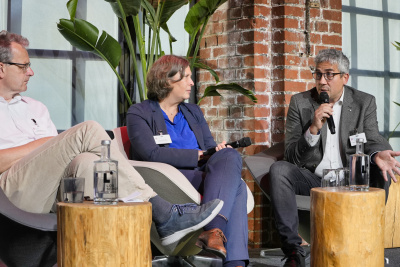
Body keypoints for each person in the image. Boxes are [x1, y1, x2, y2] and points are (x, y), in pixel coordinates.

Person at [0, 30, 224, 247]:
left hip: (51, 190)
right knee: (88, 130)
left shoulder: (36, 109)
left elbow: (55, 159)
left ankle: (115, 251)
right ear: (1, 68)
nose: (31, 72)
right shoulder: (142, 111)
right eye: (23, 66)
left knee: (89, 162)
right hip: (11, 194)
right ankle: (163, 213)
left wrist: (53, 147)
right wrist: (48, 145)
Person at [269, 49, 400, 267]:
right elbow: (292, 156)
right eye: (318, 74)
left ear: (344, 77)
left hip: (351, 180)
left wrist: (377, 154)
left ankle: (368, 242)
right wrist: (313, 128)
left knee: (378, 169)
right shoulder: (300, 103)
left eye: (329, 75)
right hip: (314, 180)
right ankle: (294, 252)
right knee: (279, 170)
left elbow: (374, 138)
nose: (322, 81)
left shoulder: (363, 102)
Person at [126, 55, 249, 267]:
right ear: (167, 80)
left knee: (229, 155)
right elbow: (151, 154)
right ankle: (233, 261)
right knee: (236, 186)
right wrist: (198, 155)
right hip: (166, 177)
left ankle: (214, 234)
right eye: (186, 77)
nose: (192, 83)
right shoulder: (140, 112)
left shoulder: (192, 111)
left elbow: (208, 146)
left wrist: (215, 152)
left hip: (198, 172)